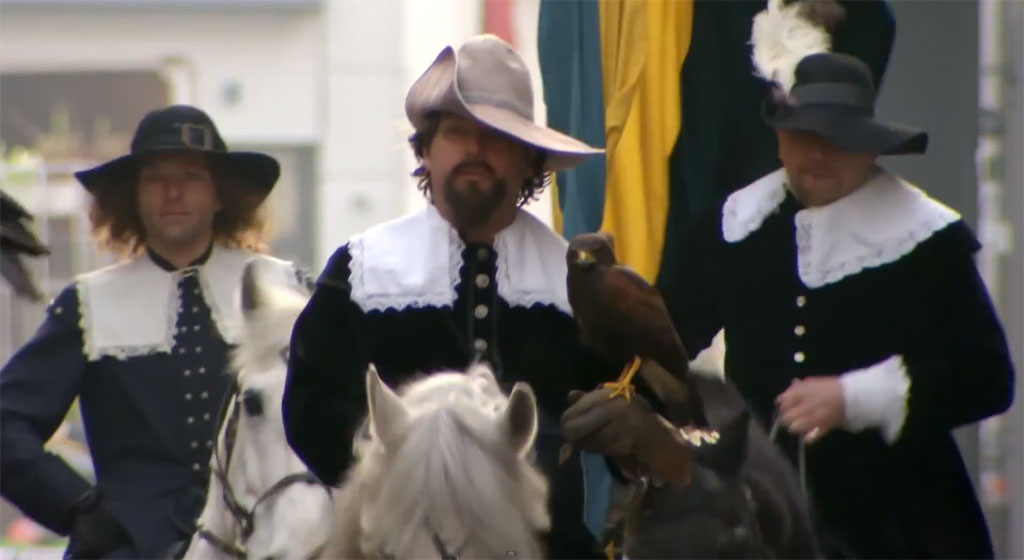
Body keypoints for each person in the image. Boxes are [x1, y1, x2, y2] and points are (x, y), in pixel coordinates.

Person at [651, 48, 1016, 557]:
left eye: (840, 138)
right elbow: (663, 341)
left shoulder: (926, 240)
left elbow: (988, 378)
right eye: (805, 135)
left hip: (900, 523)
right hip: (765, 516)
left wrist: (855, 397)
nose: (819, 153)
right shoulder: (735, 226)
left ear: (870, 149)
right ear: (780, 139)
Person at [282, 34, 634, 558]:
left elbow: (637, 430)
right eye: (456, 133)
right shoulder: (363, 269)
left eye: (495, 137)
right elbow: (310, 410)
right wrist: (409, 464)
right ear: (426, 150)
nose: (474, 150)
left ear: (529, 159)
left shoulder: (576, 284)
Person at [0, 105, 310, 559]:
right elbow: (6, 424)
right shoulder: (89, 303)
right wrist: (77, 507)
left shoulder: (283, 289)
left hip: (265, 544)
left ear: (220, 193)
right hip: (129, 549)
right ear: (133, 196)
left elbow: (345, 409)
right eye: (155, 178)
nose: (173, 192)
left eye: (192, 176)